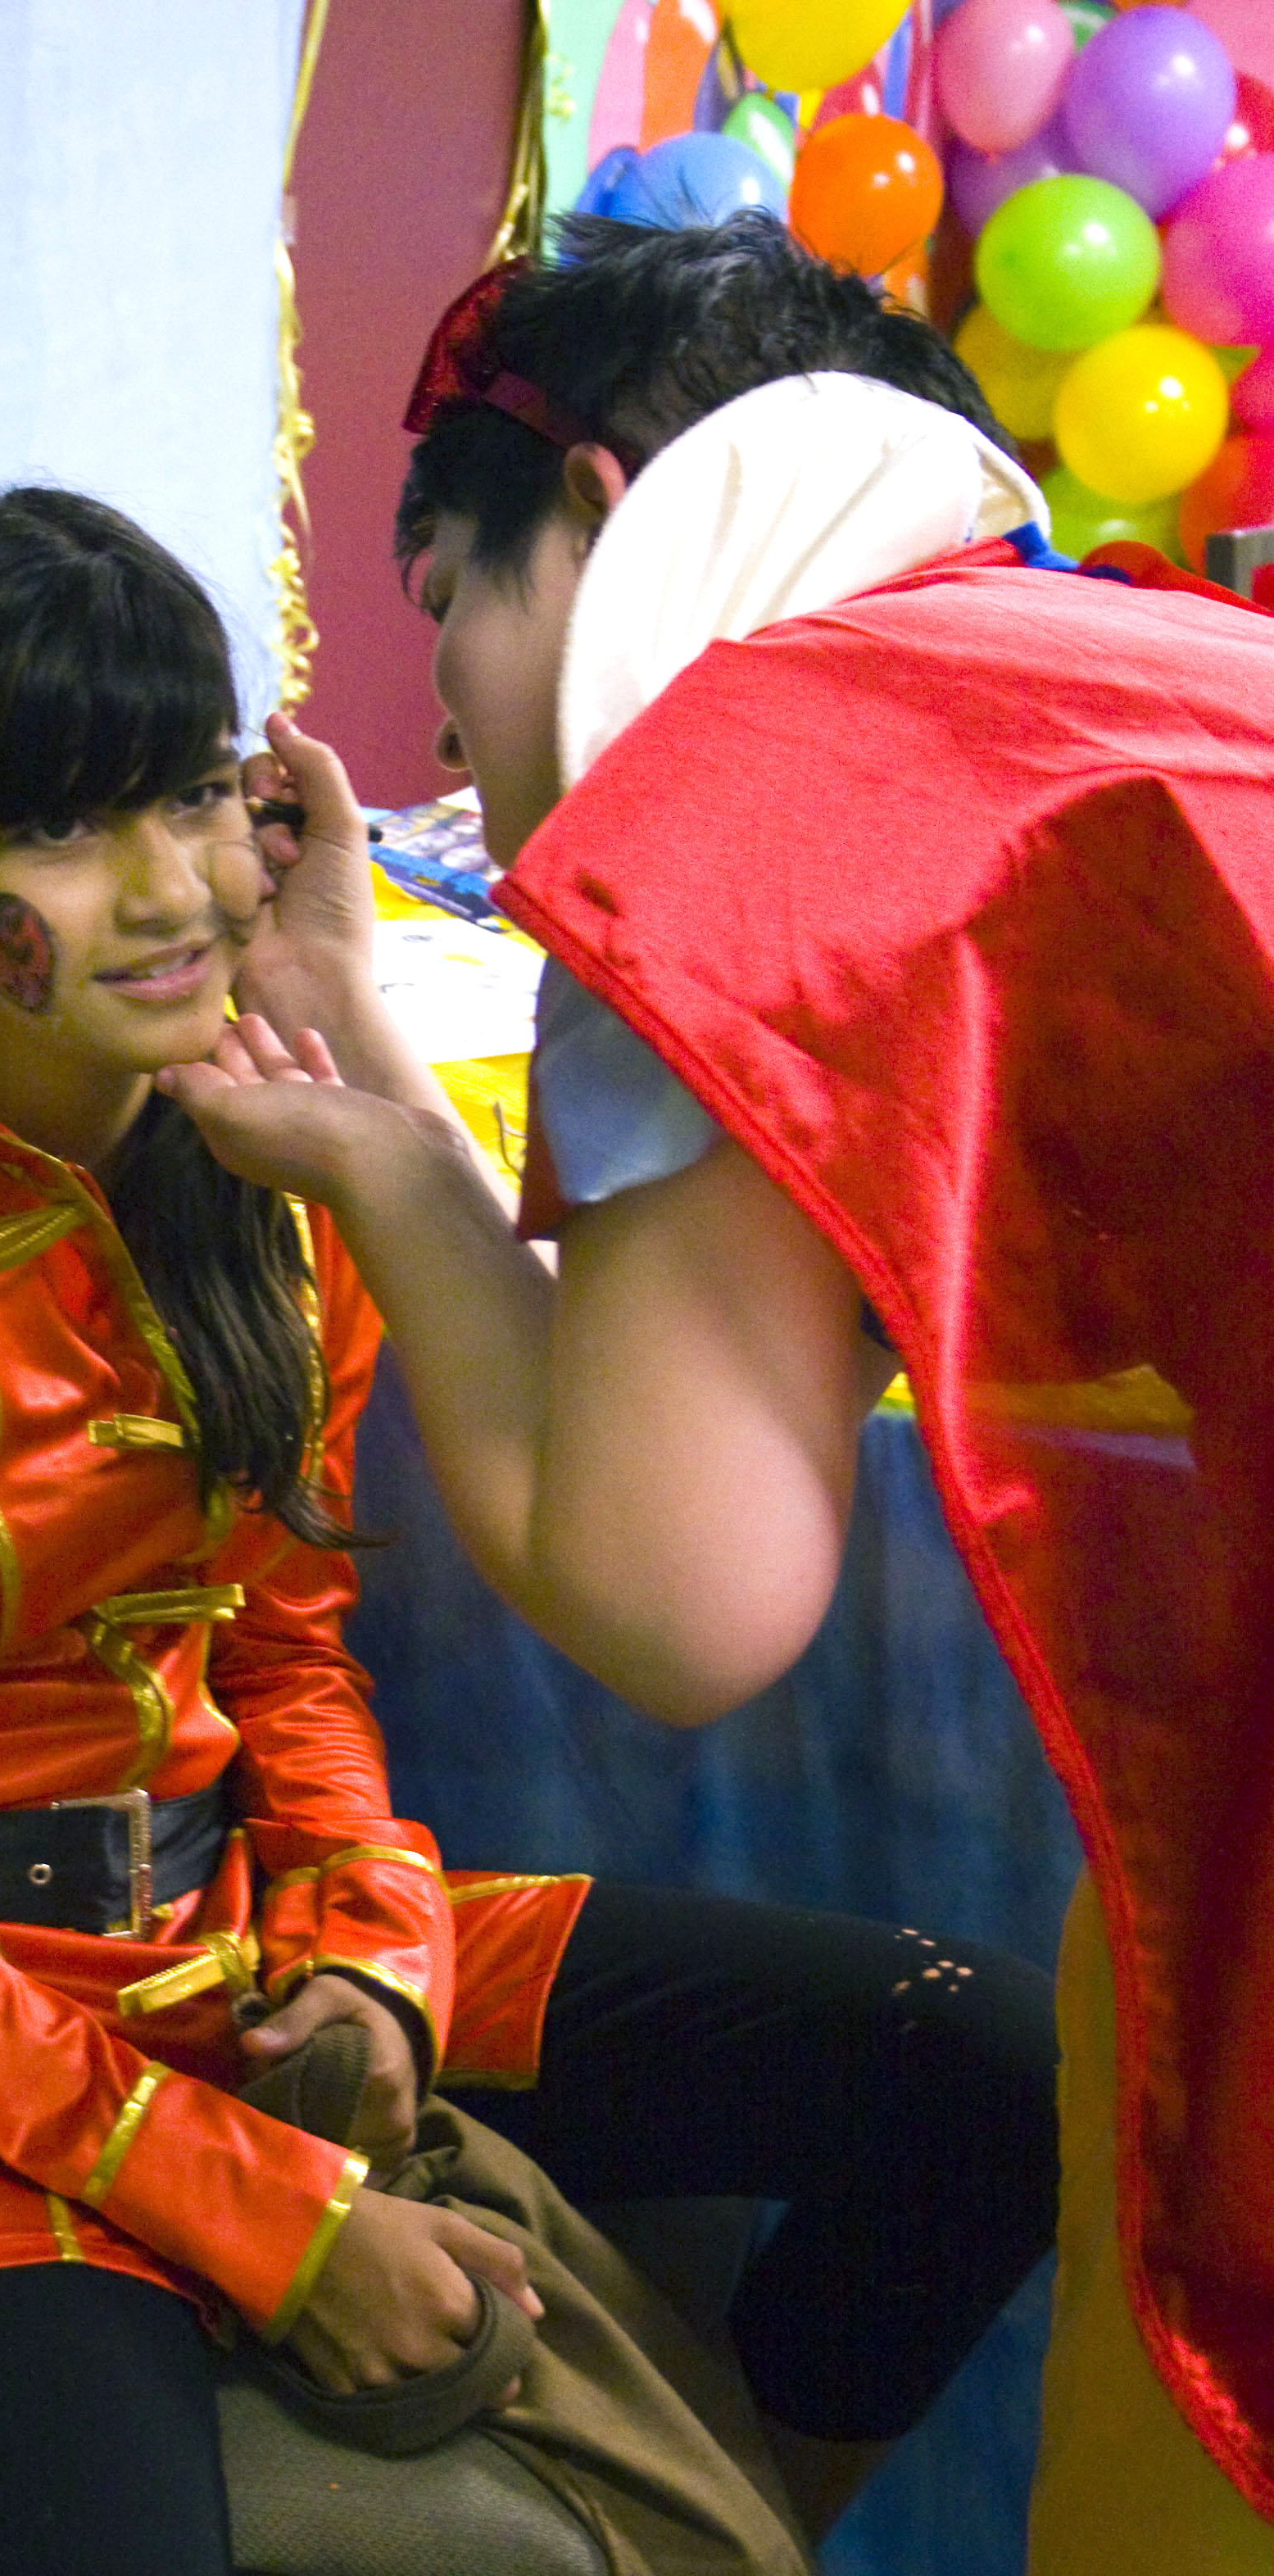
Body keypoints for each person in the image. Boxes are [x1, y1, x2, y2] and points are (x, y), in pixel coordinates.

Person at [0, 484, 1057, 2576]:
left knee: (989, 2070)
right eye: (61, 830)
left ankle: (730, 2517)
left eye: (194, 796)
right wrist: (274, 2219)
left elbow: (290, 1657)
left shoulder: (283, 1170)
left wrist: (378, 1959)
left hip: (241, 1940)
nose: (168, 893)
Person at [160, 217, 1274, 2566]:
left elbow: (681, 1592)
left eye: (446, 592)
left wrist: (369, 1152)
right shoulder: (1097, 651)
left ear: (594, 518)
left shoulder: (736, 813)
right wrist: (368, 1025)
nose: (445, 709)